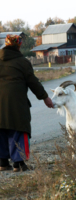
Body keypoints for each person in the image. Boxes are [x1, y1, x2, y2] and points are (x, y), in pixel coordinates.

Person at [0, 35, 53, 172]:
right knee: (19, 128)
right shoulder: (22, 62)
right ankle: (19, 164)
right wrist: (45, 97)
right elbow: (32, 82)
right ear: (19, 45)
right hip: (16, 101)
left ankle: (3, 162)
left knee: (1, 128)